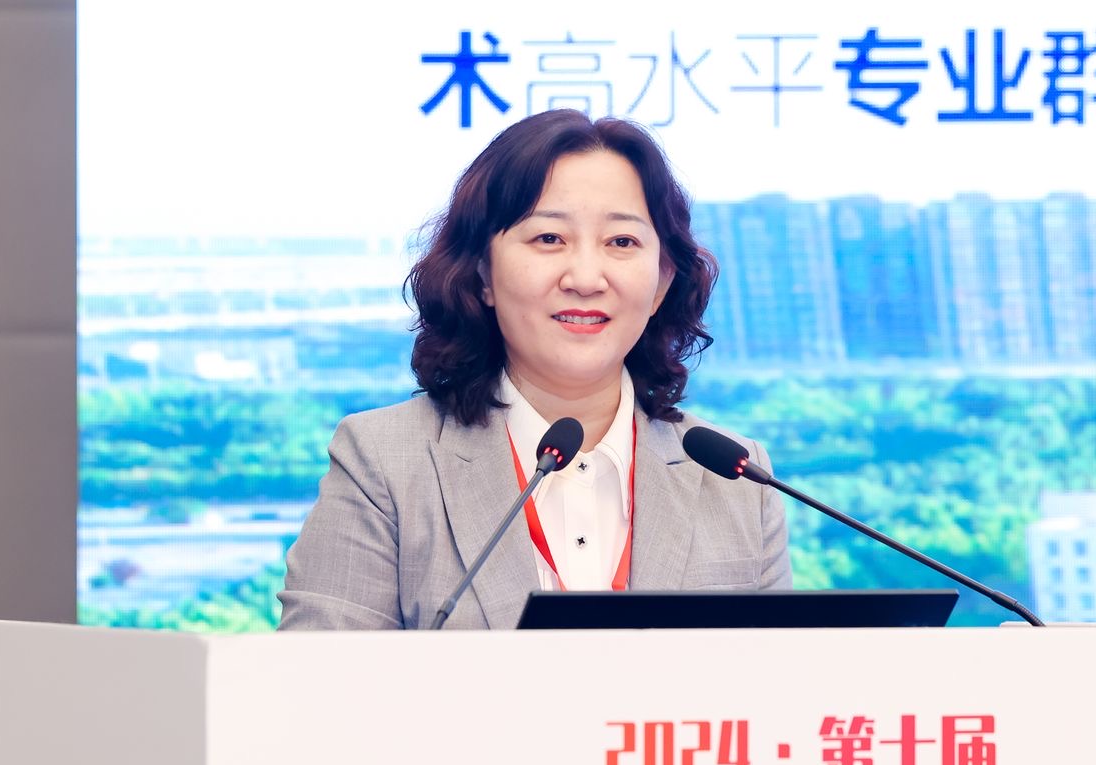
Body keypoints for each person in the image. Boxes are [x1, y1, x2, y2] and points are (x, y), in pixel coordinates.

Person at [278, 109, 790, 630]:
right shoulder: (383, 462)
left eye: (621, 242)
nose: (586, 278)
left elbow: (779, 675)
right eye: (549, 239)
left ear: (661, 283)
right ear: (482, 273)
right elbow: (316, 672)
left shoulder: (738, 476)